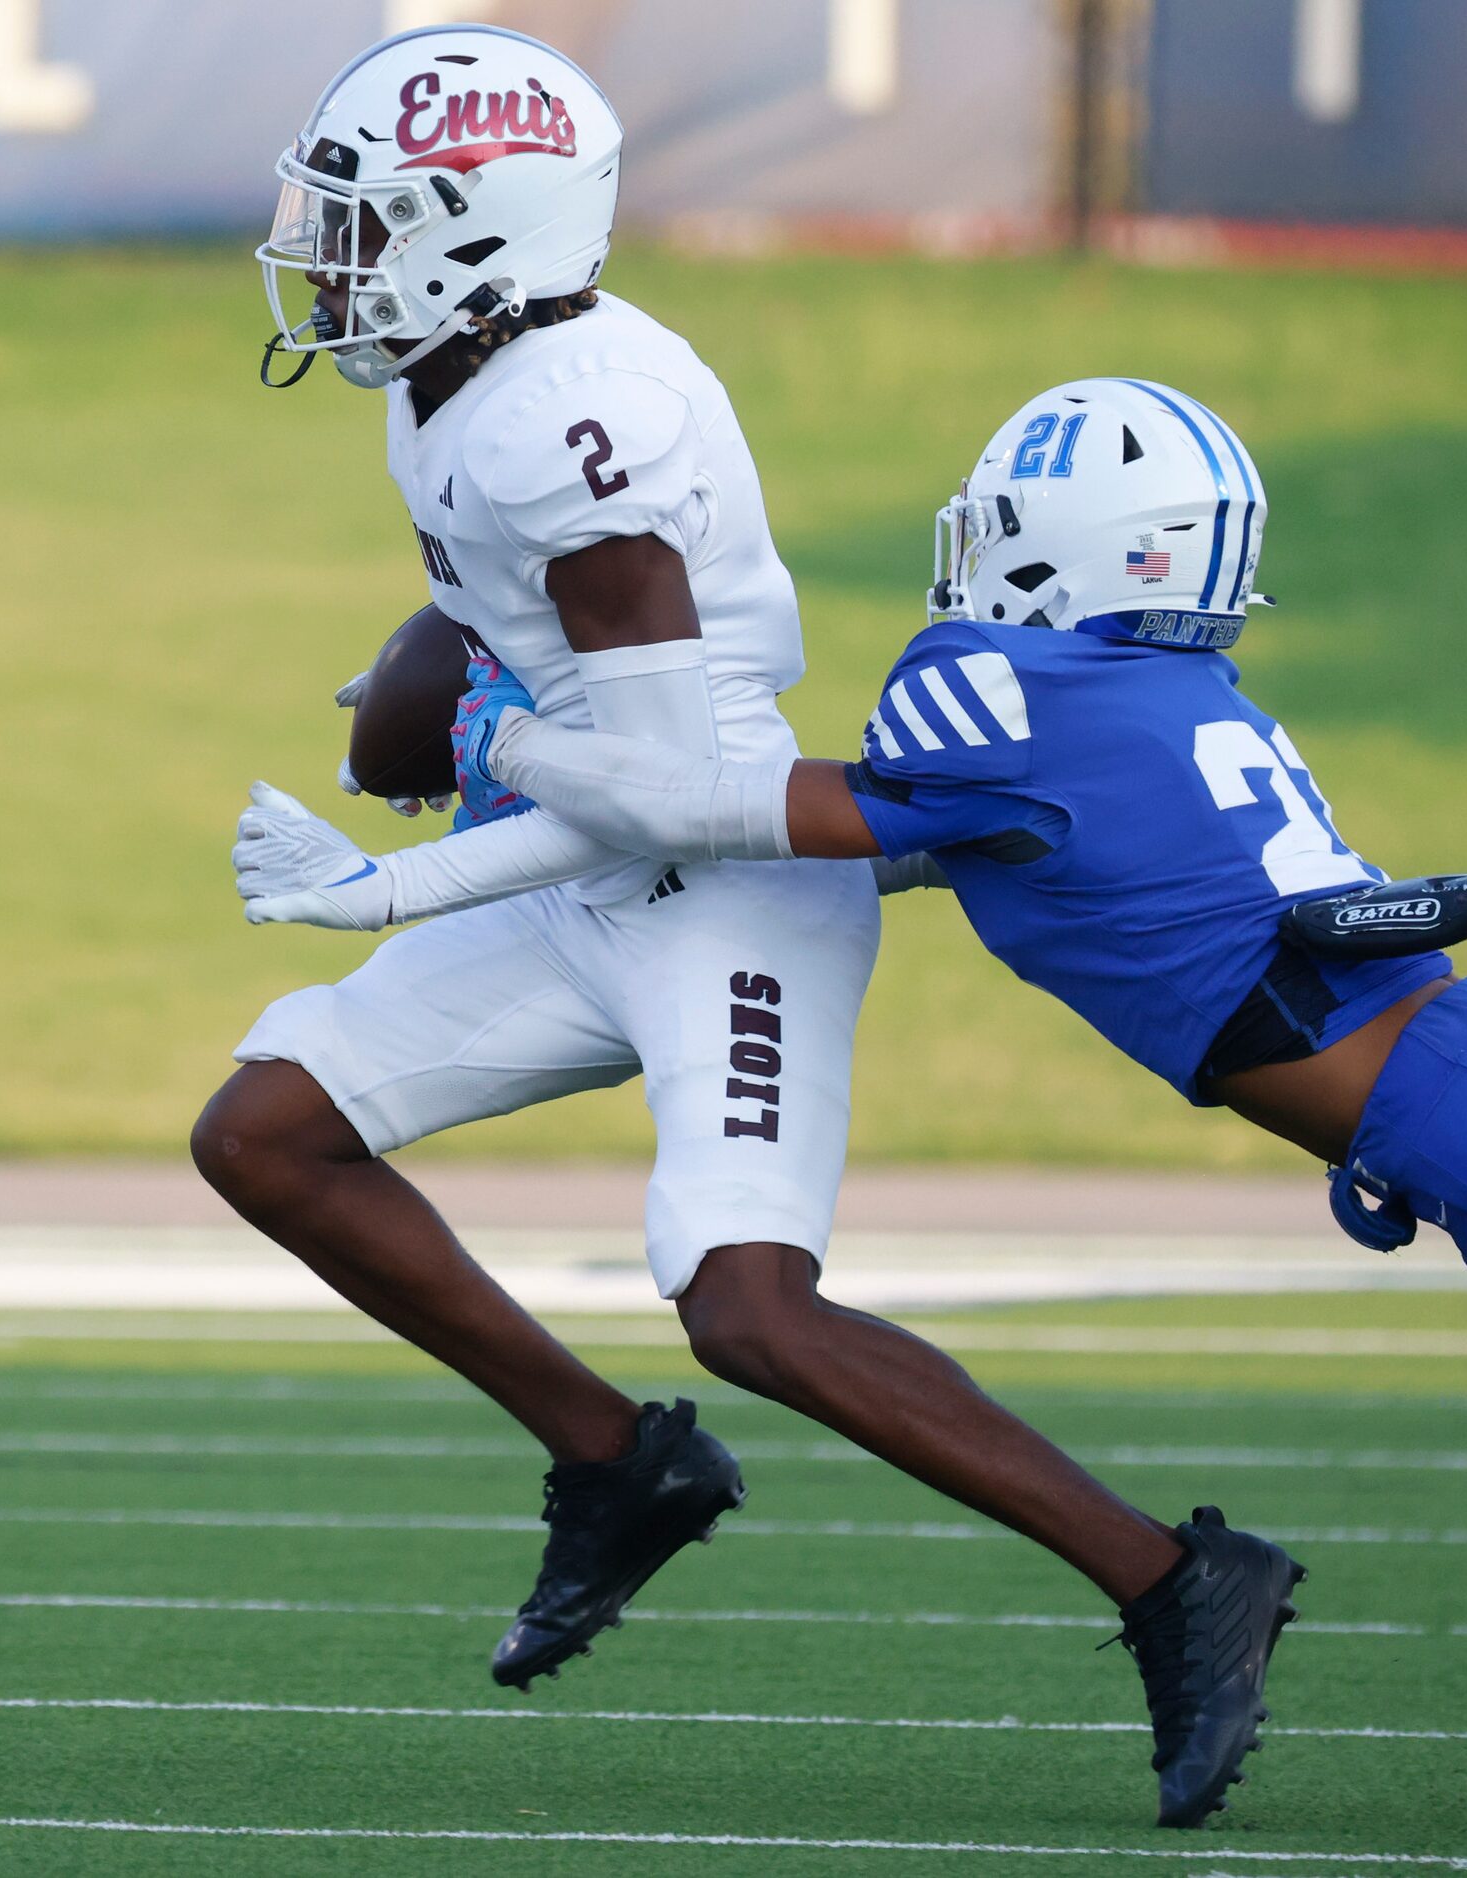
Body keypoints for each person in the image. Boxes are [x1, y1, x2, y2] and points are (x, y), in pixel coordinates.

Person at [208, 33, 1303, 1830]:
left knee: (751, 1311)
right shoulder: (459, 373)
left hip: (721, 886)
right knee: (264, 1130)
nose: (321, 259)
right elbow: (530, 674)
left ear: (476, 231)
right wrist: (450, 696)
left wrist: (392, 871)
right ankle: (614, 1463)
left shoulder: (577, 423)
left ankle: (1178, 1579)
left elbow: (658, 784)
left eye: (360, 222)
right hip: (596, 861)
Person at [472, 374, 1467, 1595]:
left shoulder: (1006, 692)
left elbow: (715, 810)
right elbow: (896, 847)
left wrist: (509, 742)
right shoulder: (1155, 699)